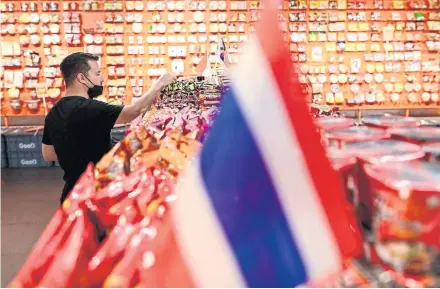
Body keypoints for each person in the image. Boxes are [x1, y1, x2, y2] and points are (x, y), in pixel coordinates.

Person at [42, 52, 176, 205]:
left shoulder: (53, 113)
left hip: (70, 196)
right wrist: (159, 84)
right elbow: (134, 111)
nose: (101, 79)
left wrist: (78, 149)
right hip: (96, 195)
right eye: (97, 73)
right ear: (81, 78)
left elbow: (49, 154)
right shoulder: (89, 108)